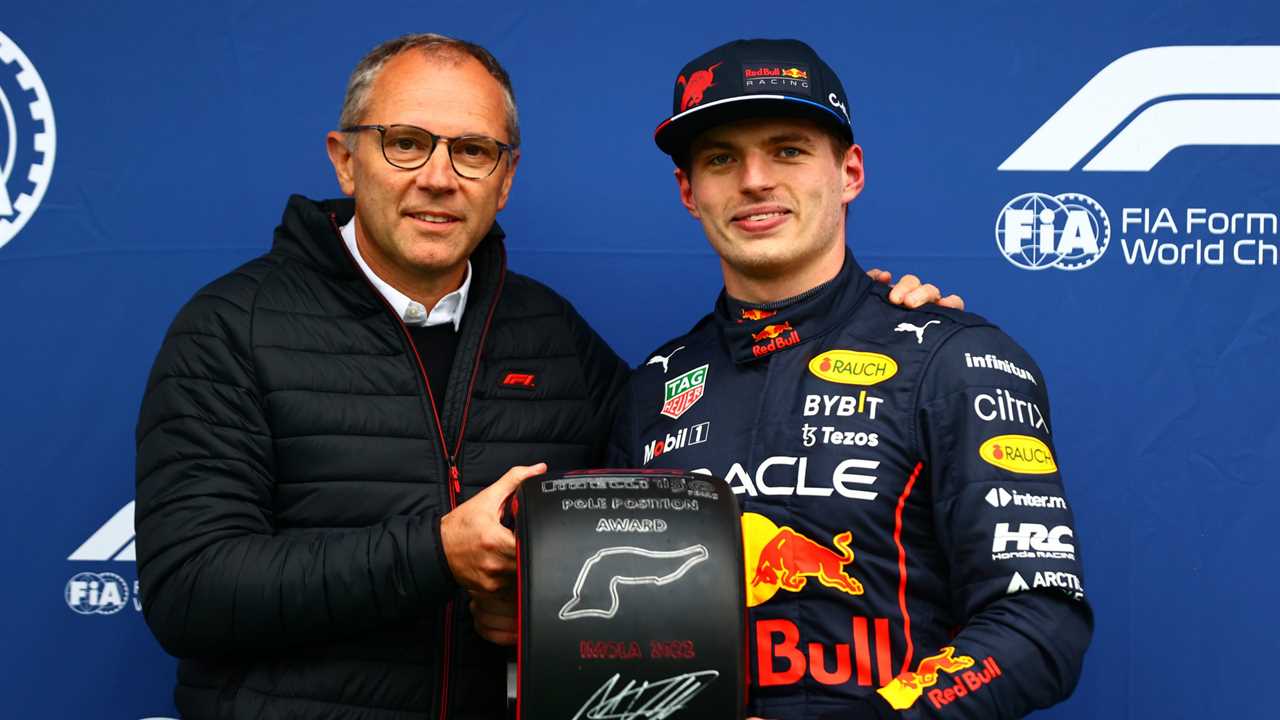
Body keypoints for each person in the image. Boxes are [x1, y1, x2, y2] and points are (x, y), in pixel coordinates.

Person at [134, 33, 960, 720]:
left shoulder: (552, 337)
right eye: (406, 143)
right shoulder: (231, 328)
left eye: (473, 151)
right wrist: (435, 554)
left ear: (507, 177)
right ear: (345, 160)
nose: (437, 176)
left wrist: (870, 320)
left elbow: (662, 505)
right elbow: (188, 590)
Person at [608, 38, 1092, 719]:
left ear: (850, 172)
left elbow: (1041, 623)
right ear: (690, 191)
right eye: (721, 158)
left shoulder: (955, 360)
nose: (753, 181)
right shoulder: (652, 390)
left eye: (788, 149)